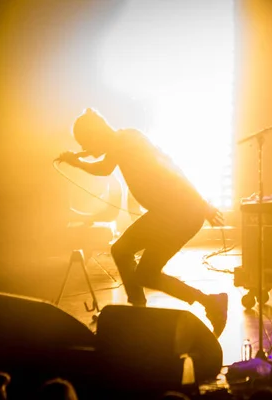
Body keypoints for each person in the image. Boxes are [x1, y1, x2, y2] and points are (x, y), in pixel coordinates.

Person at [57, 108, 228, 337]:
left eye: (86, 142)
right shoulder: (123, 142)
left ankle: (139, 311)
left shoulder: (126, 140)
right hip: (171, 213)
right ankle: (209, 303)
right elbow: (104, 162)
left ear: (96, 134)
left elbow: (170, 169)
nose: (86, 148)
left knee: (124, 253)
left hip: (180, 214)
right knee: (143, 270)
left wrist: (202, 204)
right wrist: (79, 157)